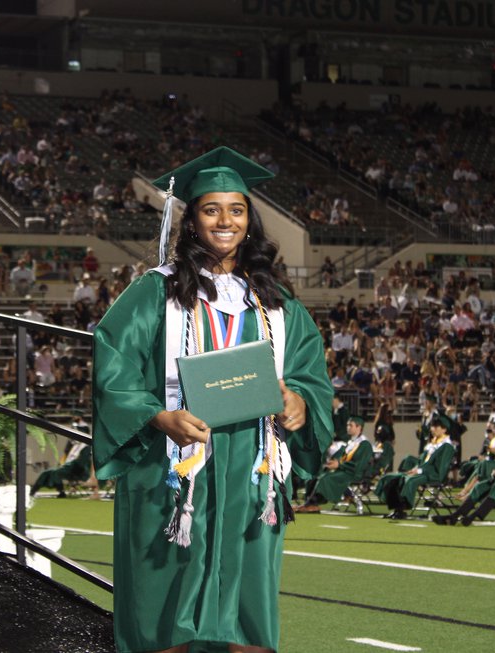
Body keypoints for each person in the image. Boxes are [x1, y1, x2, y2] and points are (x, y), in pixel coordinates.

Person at [93, 146, 333, 653]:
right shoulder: (154, 292)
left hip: (253, 473)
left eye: (237, 209)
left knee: (247, 613)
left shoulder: (277, 303)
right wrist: (158, 415)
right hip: (175, 471)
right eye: (211, 209)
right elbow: (113, 365)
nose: (225, 220)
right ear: (192, 220)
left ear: (251, 220)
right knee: (165, 608)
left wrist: (301, 404)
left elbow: (310, 375)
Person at [374, 410, 457, 519]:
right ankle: (397, 509)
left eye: (436, 427)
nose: (433, 429)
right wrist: (415, 468)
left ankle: (402, 508)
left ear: (444, 429)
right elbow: (422, 461)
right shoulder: (433, 443)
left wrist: (418, 470)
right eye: (432, 426)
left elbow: (439, 467)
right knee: (392, 478)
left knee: (410, 480)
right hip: (422, 471)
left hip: (433, 474)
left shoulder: (447, 446)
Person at [295, 413, 371, 513]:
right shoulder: (350, 442)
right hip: (344, 470)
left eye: (350, 425)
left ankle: (313, 504)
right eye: (347, 425)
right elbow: (340, 457)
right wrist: (333, 463)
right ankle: (308, 503)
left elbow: (359, 465)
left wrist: (339, 464)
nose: (347, 427)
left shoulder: (364, 444)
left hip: (353, 473)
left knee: (325, 479)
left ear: (359, 427)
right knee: (313, 478)